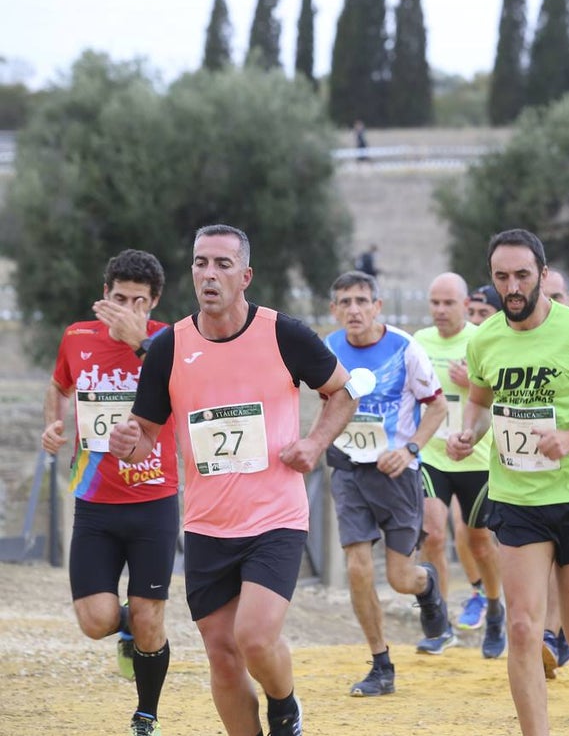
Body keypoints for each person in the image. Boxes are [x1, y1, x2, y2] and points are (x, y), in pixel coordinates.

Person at [108, 224, 361, 736]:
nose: (209, 273)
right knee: (222, 658)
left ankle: (285, 706)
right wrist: (126, 441)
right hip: (206, 526)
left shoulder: (282, 333)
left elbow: (343, 392)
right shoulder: (168, 348)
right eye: (201, 262)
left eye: (222, 264)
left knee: (255, 638)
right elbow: (147, 435)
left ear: (245, 276)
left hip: (275, 519)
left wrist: (313, 443)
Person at [446, 229, 569, 734]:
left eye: (522, 276)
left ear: (541, 274)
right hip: (516, 498)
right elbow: (481, 399)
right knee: (523, 628)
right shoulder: (486, 337)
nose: (512, 287)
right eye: (501, 277)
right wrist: (469, 431)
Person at [41, 249, 179, 736]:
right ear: (104, 294)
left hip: (154, 501)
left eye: (137, 302)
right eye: (118, 298)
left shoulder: (168, 341)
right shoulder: (77, 337)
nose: (125, 309)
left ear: (153, 303)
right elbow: (58, 386)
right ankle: (133, 628)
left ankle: (146, 714)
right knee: (96, 620)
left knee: (150, 615)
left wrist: (140, 342)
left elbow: (185, 394)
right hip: (95, 503)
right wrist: (53, 425)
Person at [323, 270, 455, 693]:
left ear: (377, 306)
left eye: (362, 301)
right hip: (348, 470)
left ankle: (427, 585)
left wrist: (411, 449)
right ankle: (381, 665)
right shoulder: (328, 348)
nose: (354, 310)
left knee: (401, 578)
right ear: (334, 310)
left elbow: (436, 408)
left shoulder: (404, 347)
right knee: (358, 568)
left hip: (396, 473)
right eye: (345, 302)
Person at [413, 272, 506, 658]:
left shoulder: (482, 340)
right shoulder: (418, 342)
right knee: (433, 534)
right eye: (434, 302)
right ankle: (440, 621)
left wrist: (473, 383)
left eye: (448, 303)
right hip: (433, 455)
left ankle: (496, 607)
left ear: (466, 305)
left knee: (479, 540)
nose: (440, 310)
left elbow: (503, 395)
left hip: (477, 458)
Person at [536, 266, 569, 675]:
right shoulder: (505, 337)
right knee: (543, 567)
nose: (549, 304)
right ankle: (547, 635)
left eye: (558, 296)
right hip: (525, 488)